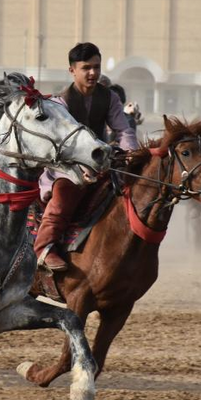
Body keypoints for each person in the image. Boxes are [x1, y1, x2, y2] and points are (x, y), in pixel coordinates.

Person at [34, 42, 137, 271]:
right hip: (67, 166)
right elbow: (60, 142)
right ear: (72, 70)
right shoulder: (60, 102)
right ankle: (45, 247)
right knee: (63, 196)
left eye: (97, 67)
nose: (93, 73)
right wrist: (79, 166)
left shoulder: (110, 98)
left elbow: (123, 130)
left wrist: (130, 153)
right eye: (86, 68)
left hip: (102, 161)